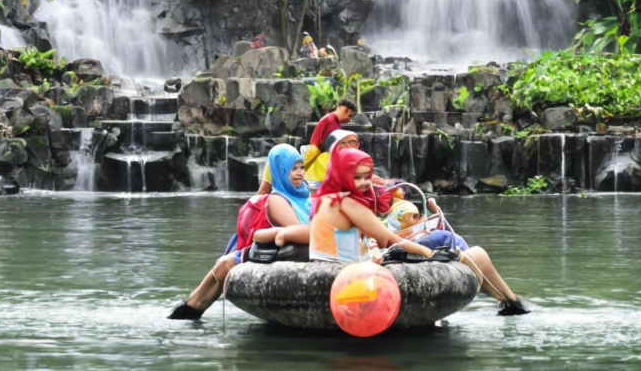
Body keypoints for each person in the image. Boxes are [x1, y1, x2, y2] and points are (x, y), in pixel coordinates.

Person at [309, 147, 530, 316]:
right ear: (342, 175)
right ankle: (510, 301)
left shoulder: (329, 198)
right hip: (343, 275)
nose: (365, 182)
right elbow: (387, 238)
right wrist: (429, 254)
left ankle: (508, 301)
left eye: (367, 176)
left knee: (474, 254)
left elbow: (370, 238)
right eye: (357, 177)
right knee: (472, 254)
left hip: (344, 268)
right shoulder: (347, 203)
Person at [168, 144, 310, 320]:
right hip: (279, 250)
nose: (299, 173)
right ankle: (190, 308)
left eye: (301, 167)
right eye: (292, 169)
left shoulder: (304, 195)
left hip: (289, 249)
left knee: (227, 262)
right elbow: (300, 231)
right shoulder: (277, 199)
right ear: (279, 172)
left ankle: (191, 304)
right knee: (226, 263)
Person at [256, 99, 356, 195]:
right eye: (348, 113)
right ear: (342, 109)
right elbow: (318, 138)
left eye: (351, 143)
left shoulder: (335, 124)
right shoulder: (329, 120)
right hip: (316, 152)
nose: (349, 117)